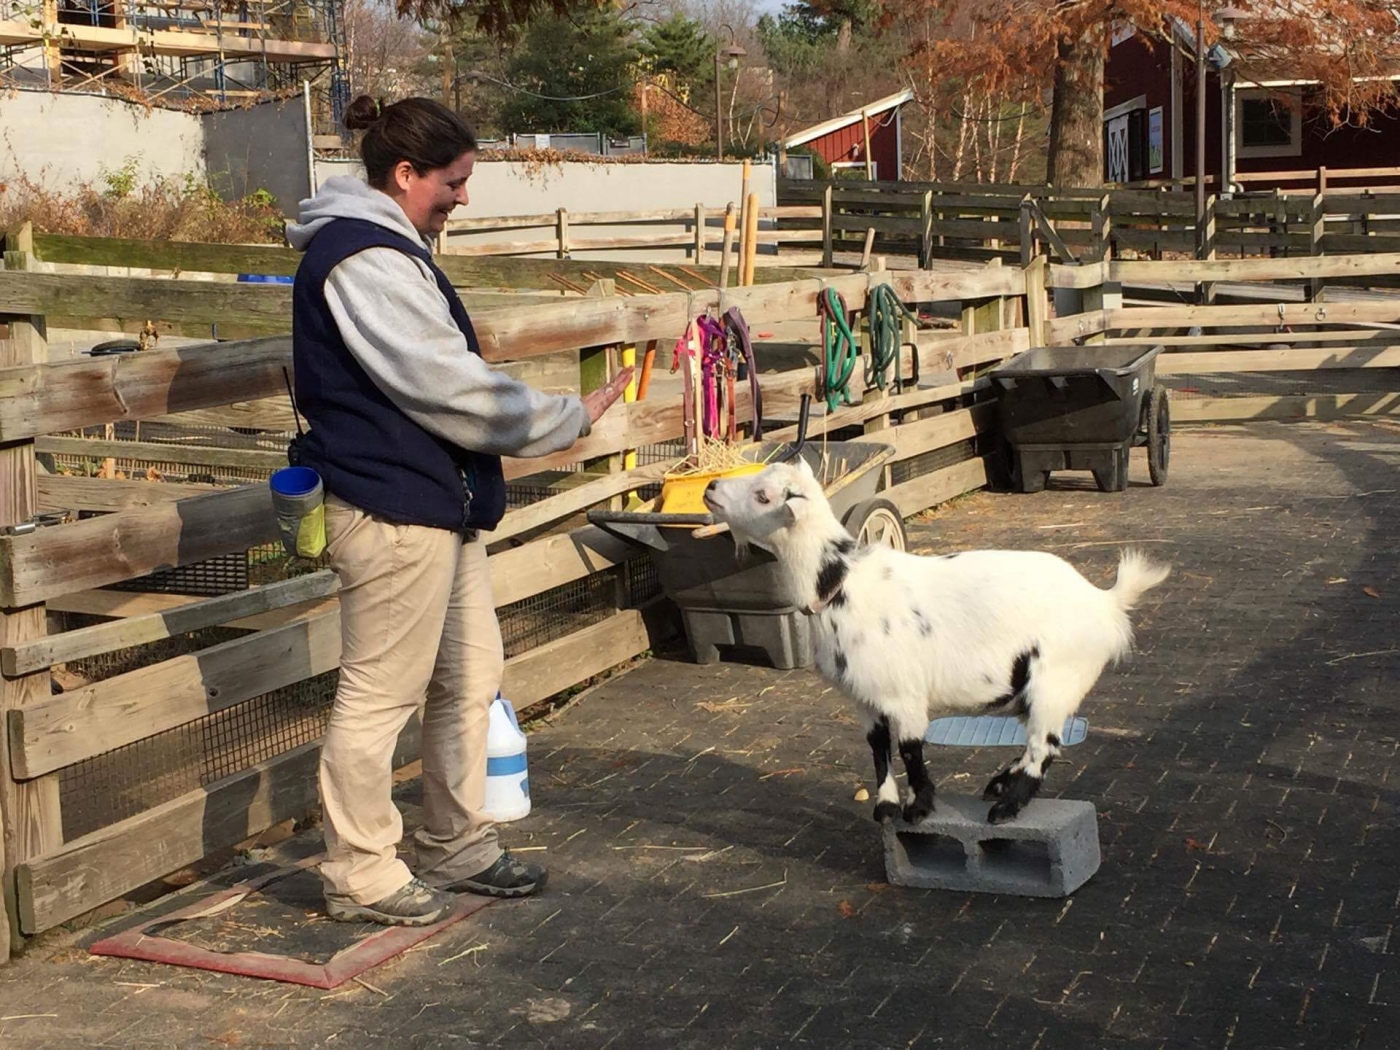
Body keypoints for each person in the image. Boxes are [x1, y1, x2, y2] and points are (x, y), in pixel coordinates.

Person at [286, 94, 632, 927]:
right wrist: (564, 419)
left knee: (469, 676)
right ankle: (361, 871)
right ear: (405, 175)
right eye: (454, 181)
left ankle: (454, 842)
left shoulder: (393, 247)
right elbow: (445, 384)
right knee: (379, 693)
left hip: (439, 505)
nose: (462, 197)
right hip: (389, 506)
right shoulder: (357, 258)